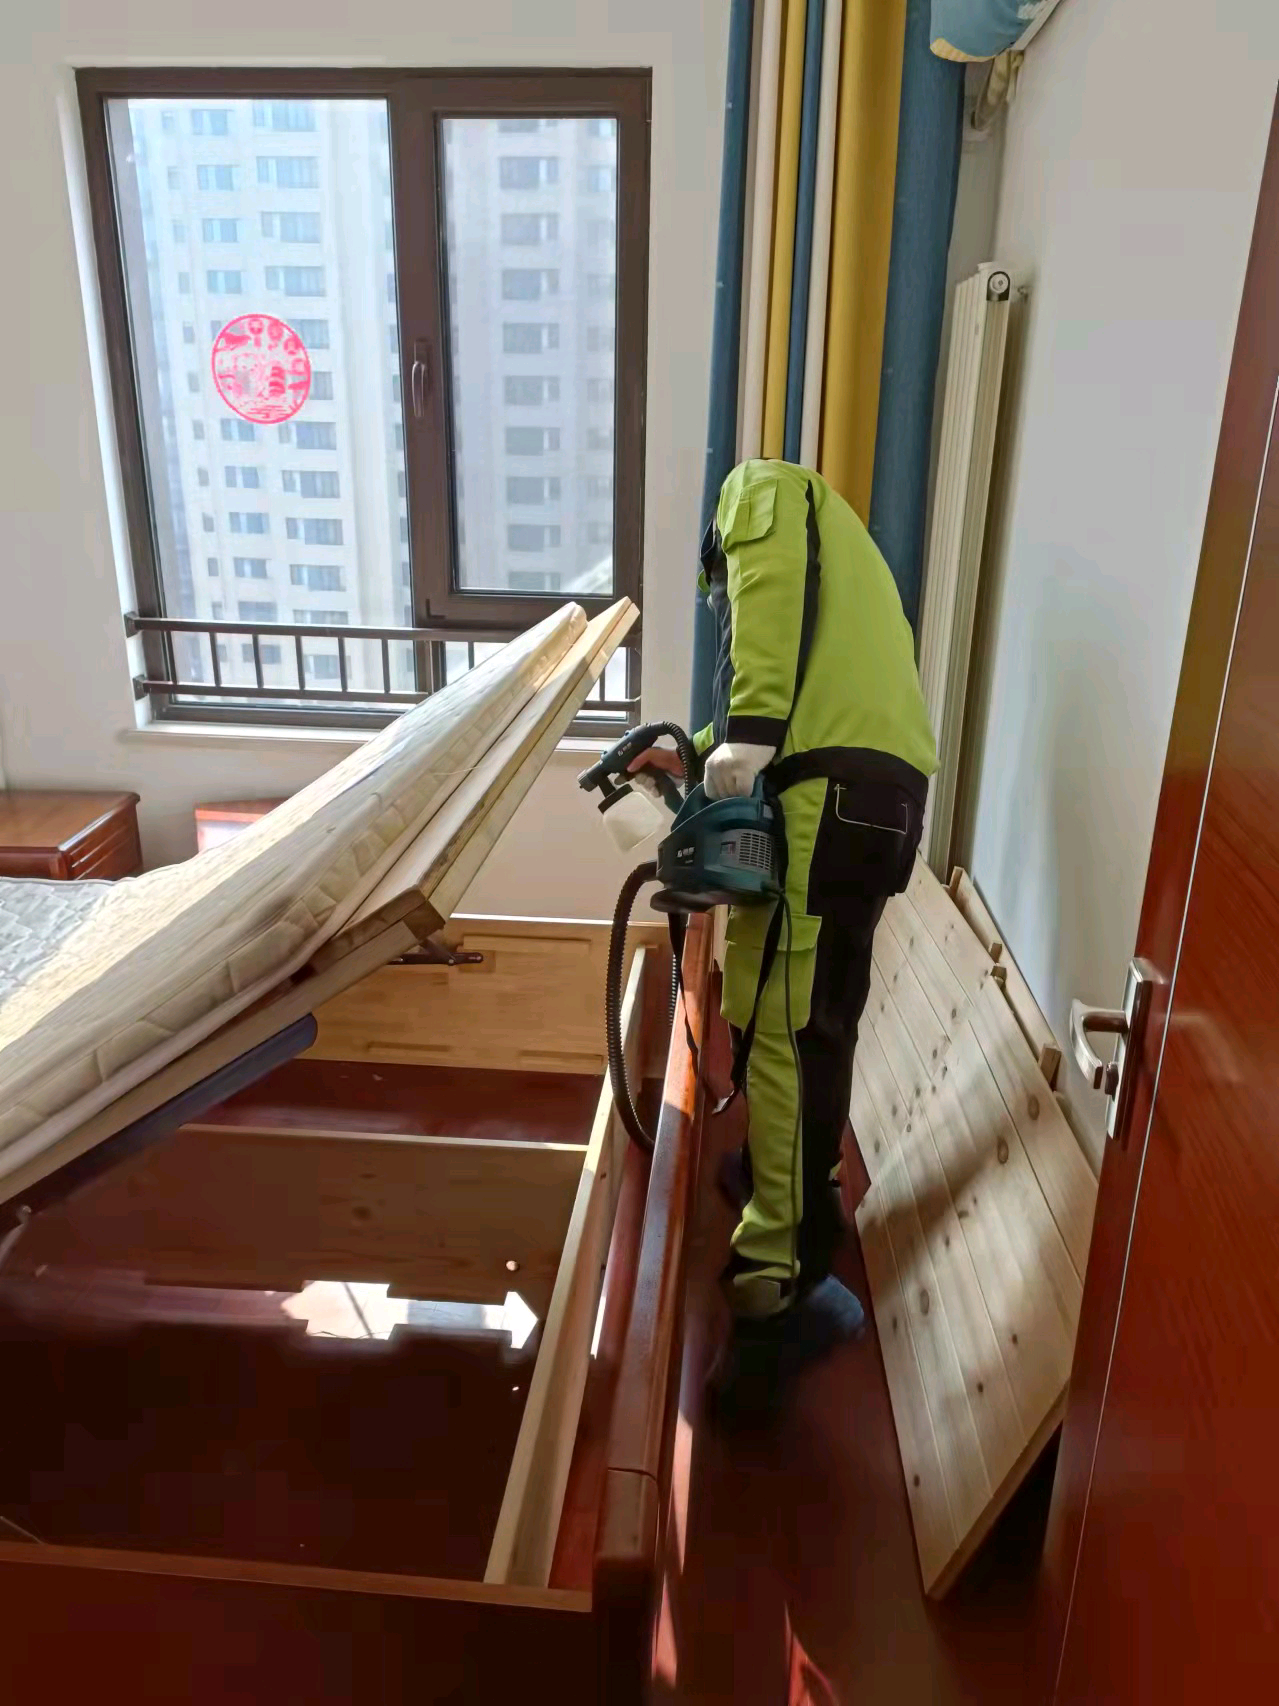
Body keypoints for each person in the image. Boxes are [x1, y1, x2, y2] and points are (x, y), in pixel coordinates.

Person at [631, 459, 937, 1418]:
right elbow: (794, 681)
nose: (722, 606)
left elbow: (765, 618)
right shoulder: (839, 553)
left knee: (779, 1030)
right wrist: (700, 749)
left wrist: (745, 737)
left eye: (716, 592)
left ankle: (777, 1288)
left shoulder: (755, 492)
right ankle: (796, 1186)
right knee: (816, 1023)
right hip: (872, 797)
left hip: (823, 798)